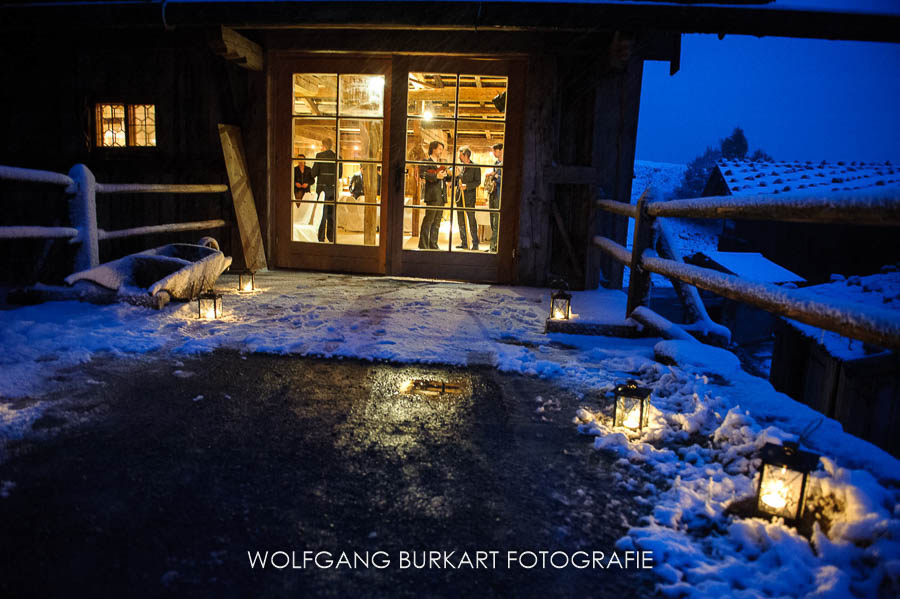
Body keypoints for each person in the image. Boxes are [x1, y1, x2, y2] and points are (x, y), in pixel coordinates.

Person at [418, 140, 447, 249]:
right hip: (432, 196)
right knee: (428, 220)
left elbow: (446, 178)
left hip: (442, 196)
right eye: (440, 149)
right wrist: (436, 177)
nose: (441, 151)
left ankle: (433, 244)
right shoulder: (426, 162)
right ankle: (423, 245)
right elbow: (423, 174)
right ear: (433, 149)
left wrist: (454, 175)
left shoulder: (441, 164)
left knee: (437, 222)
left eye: (442, 149)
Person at [453, 146, 481, 250]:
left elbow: (478, 182)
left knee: (471, 221)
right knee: (461, 221)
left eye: (460, 155)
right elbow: (458, 181)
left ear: (466, 155)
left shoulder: (475, 167)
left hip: (469, 198)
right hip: (460, 198)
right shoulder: (461, 167)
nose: (459, 157)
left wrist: (467, 186)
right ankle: (464, 243)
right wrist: (455, 178)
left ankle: (475, 243)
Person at [311, 139, 337, 242]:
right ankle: (331, 237)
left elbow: (313, 173)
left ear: (324, 146)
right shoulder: (337, 157)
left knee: (321, 214)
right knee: (331, 214)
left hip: (322, 189)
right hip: (333, 190)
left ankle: (321, 237)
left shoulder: (319, 156)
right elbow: (339, 175)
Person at [484, 142, 503, 252]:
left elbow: (505, 179)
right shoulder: (496, 163)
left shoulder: (504, 163)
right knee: (492, 220)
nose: (494, 153)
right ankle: (493, 245)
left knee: (497, 221)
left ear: (501, 150)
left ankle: (494, 246)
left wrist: (495, 175)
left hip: (499, 194)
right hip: (493, 194)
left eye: (495, 151)